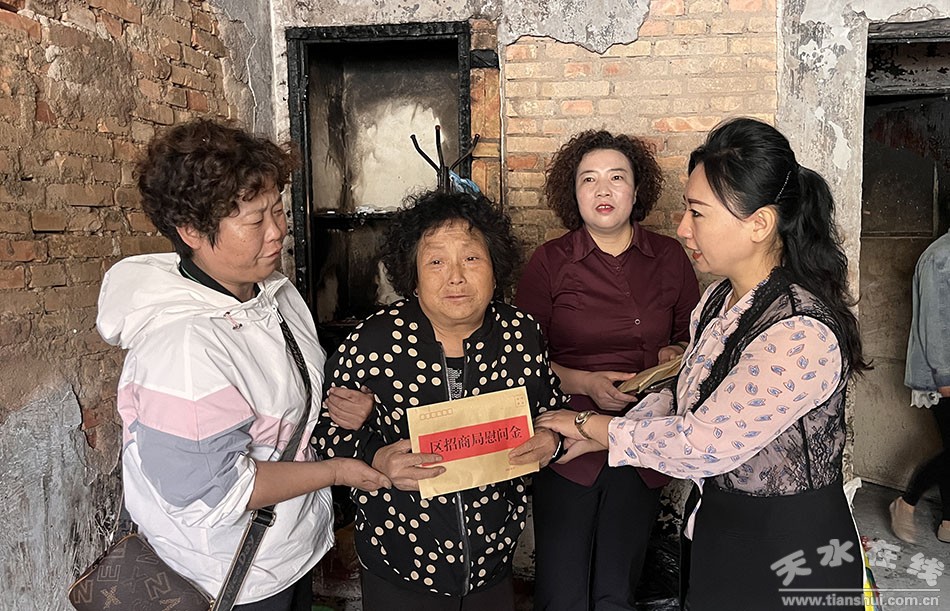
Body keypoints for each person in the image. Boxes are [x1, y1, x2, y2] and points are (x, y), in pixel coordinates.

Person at [536, 117, 869, 610]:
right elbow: (683, 393)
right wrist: (604, 433)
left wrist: (592, 425)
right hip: (721, 525)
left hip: (789, 547)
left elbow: (703, 442)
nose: (682, 227)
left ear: (759, 224)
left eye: (697, 212)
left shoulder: (798, 332)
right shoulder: (718, 300)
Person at [96, 119, 390, 610]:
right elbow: (215, 492)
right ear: (192, 230)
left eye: (278, 209)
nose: (277, 232)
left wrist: (344, 406)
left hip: (284, 550)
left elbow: (289, 400)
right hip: (226, 575)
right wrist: (337, 471)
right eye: (255, 221)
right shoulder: (183, 348)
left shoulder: (273, 294)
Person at [311, 189, 569, 611]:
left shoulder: (521, 334)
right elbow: (323, 433)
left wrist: (551, 441)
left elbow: (552, 411)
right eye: (436, 261)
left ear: (495, 267)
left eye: (471, 258)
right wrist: (375, 455)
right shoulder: (373, 342)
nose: (456, 277)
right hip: (400, 563)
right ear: (412, 274)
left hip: (492, 562)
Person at [515, 130, 700, 610]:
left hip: (641, 436)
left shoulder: (669, 257)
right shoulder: (550, 262)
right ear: (573, 193)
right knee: (561, 590)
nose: (603, 190)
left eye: (616, 178)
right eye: (589, 179)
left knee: (618, 586)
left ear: (636, 191)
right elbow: (520, 358)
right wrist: (585, 383)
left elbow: (696, 342)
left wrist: (673, 353)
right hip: (567, 437)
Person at [890, 228, 950, 544]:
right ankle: (907, 501)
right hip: (944, 374)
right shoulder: (940, 257)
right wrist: (945, 377)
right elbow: (935, 324)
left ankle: (948, 522)